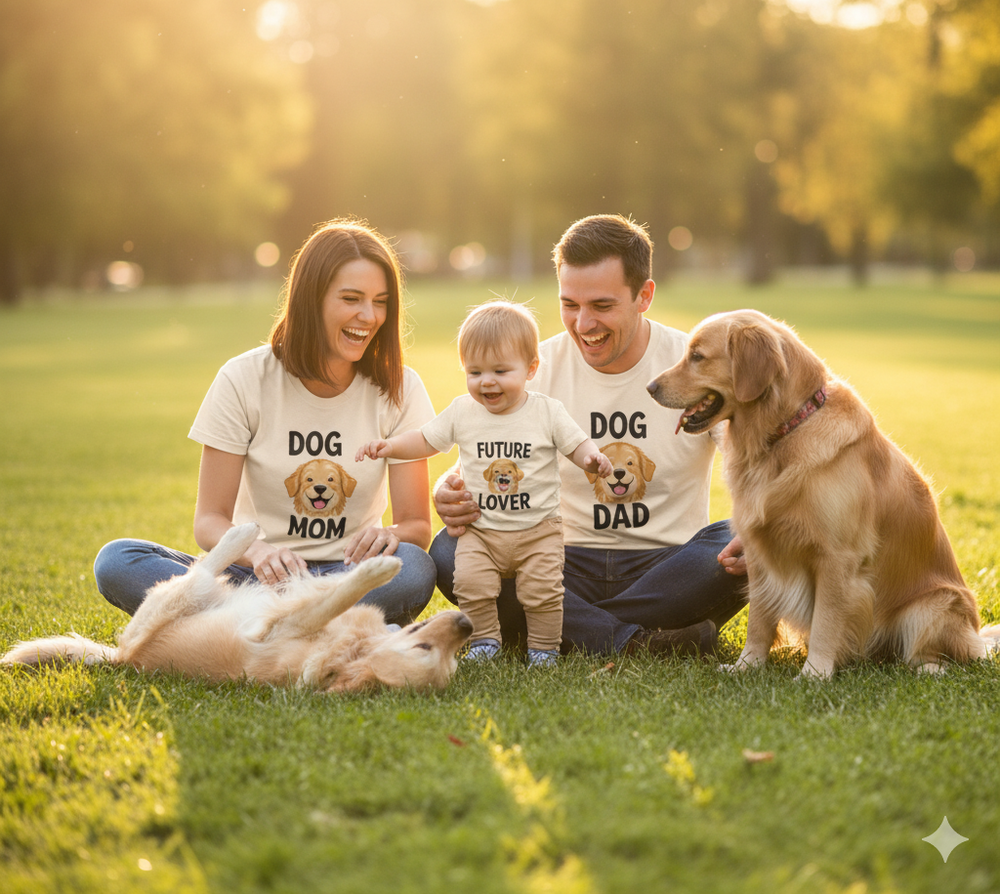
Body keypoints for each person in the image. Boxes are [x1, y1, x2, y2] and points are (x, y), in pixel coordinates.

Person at [430, 214, 748, 657]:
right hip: (556, 560)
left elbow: (760, 463)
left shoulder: (693, 363)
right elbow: (476, 462)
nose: (583, 324)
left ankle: (572, 626)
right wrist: (447, 489)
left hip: (668, 566)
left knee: (742, 540)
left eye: (601, 306)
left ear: (644, 296)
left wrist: (756, 533)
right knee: (448, 551)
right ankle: (634, 641)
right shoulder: (532, 368)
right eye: (569, 305)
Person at [94, 221, 437, 626]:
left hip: (347, 575)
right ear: (311, 299)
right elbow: (210, 521)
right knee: (118, 561)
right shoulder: (243, 379)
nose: (369, 316)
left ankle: (254, 623)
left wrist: (392, 535)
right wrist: (257, 552)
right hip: (252, 574)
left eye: (380, 301)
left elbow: (416, 525)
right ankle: (303, 621)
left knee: (414, 568)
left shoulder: (399, 387)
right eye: (351, 298)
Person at [356, 300, 612, 667]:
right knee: (472, 587)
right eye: (474, 372)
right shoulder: (463, 411)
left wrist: (592, 458)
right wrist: (390, 445)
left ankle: (543, 648)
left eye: (500, 370)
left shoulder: (546, 412)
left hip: (538, 530)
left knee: (542, 593)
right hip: (481, 531)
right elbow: (427, 440)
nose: (486, 381)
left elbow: (576, 444)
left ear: (531, 369)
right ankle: (485, 640)